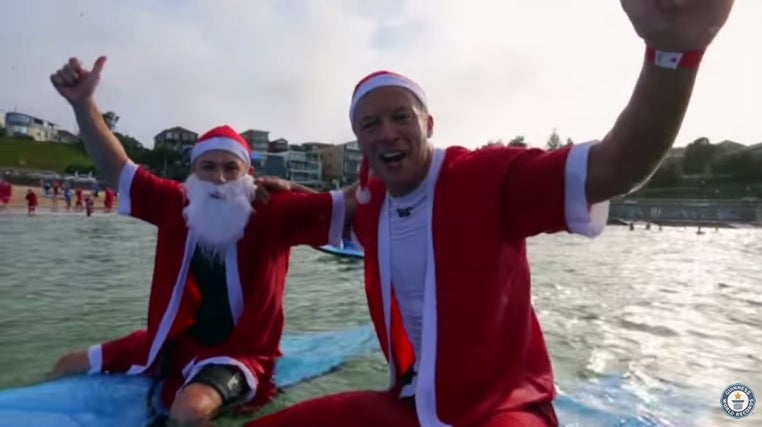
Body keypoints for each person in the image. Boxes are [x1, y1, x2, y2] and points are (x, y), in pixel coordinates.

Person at [248, 2, 735, 426]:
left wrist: (673, 55)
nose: (387, 133)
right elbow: (310, 214)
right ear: (360, 141)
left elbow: (616, 165)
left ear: (429, 125)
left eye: (401, 117)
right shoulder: (372, 200)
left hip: (502, 409)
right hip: (413, 406)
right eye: (370, 125)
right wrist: (253, 188)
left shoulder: (489, 176)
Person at [47, 56, 350, 426]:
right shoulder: (177, 203)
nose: (219, 179)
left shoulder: (271, 212)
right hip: (169, 344)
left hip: (240, 354)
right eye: (208, 167)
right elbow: (117, 168)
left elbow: (355, 204)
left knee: (189, 411)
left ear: (248, 174)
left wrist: (296, 188)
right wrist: (82, 104)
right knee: (68, 364)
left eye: (230, 168)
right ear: (193, 172)